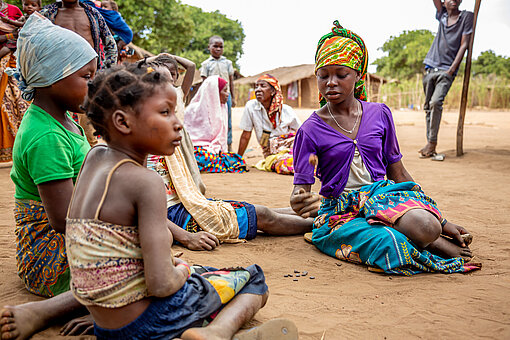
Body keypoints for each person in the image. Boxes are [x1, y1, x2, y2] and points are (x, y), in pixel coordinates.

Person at [63, 61, 295, 339]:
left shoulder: (94, 158)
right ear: (123, 122)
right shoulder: (146, 182)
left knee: (200, 272)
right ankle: (218, 333)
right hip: (147, 323)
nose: (178, 123)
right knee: (253, 280)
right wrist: (183, 269)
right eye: (165, 112)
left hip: (105, 323)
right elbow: (161, 285)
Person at [290, 21, 481, 275]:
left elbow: (398, 172)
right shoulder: (310, 130)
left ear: (358, 75)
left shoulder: (379, 114)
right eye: (323, 76)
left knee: (427, 225)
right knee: (391, 244)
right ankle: (422, 243)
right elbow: (300, 192)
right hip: (340, 213)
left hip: (385, 197)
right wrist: (301, 201)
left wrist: (442, 221)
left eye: (341, 74)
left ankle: (429, 237)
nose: (331, 83)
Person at [0, 13, 99, 339]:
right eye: (86, 76)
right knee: (136, 268)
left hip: (71, 242)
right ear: (53, 77)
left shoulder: (65, 122)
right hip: (49, 258)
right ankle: (59, 309)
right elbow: (63, 220)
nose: (93, 85)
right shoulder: (46, 136)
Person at [41, 0, 118, 147]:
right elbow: (33, 42)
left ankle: (90, 162)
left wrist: (105, 73)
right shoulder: (48, 14)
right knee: (58, 125)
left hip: (87, 80)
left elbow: (110, 44)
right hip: (58, 79)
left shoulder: (93, 13)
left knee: (89, 130)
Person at [419, 0, 473, 159]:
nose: (454, 1)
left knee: (436, 102)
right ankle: (429, 143)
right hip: (430, 66)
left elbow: (464, 45)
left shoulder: (466, 17)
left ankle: (432, 143)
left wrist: (451, 70)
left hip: (446, 70)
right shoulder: (442, 14)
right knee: (428, 106)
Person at [148, 53, 207, 194]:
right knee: (163, 170)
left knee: (185, 169)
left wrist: (171, 57)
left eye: (172, 75)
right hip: (161, 138)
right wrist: (156, 58)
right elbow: (135, 67)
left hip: (179, 138)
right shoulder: (150, 95)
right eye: (161, 76)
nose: (168, 80)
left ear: (176, 77)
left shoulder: (179, 92)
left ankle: (190, 192)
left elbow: (191, 66)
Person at [238, 74, 301, 175]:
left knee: (307, 158)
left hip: (291, 147)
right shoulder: (251, 107)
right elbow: (246, 135)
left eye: (263, 86)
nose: (258, 89)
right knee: (287, 164)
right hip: (272, 153)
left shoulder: (287, 110)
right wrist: (238, 159)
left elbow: (300, 133)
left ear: (272, 91)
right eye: (256, 86)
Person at [185, 75, 246, 173]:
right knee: (201, 158)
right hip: (196, 149)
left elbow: (219, 140)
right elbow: (186, 140)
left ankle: (216, 162)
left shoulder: (222, 108)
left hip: (214, 150)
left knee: (237, 159)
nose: (228, 94)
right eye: (225, 90)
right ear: (214, 92)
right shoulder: (192, 110)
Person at [200, 35, 236, 152]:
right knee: (213, 121)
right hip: (212, 98)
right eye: (215, 46)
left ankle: (228, 145)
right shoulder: (206, 64)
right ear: (209, 47)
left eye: (221, 47)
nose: (218, 49)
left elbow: (231, 81)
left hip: (226, 96)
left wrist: (233, 98)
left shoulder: (227, 63)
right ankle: (213, 145)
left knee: (227, 121)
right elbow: (204, 83)